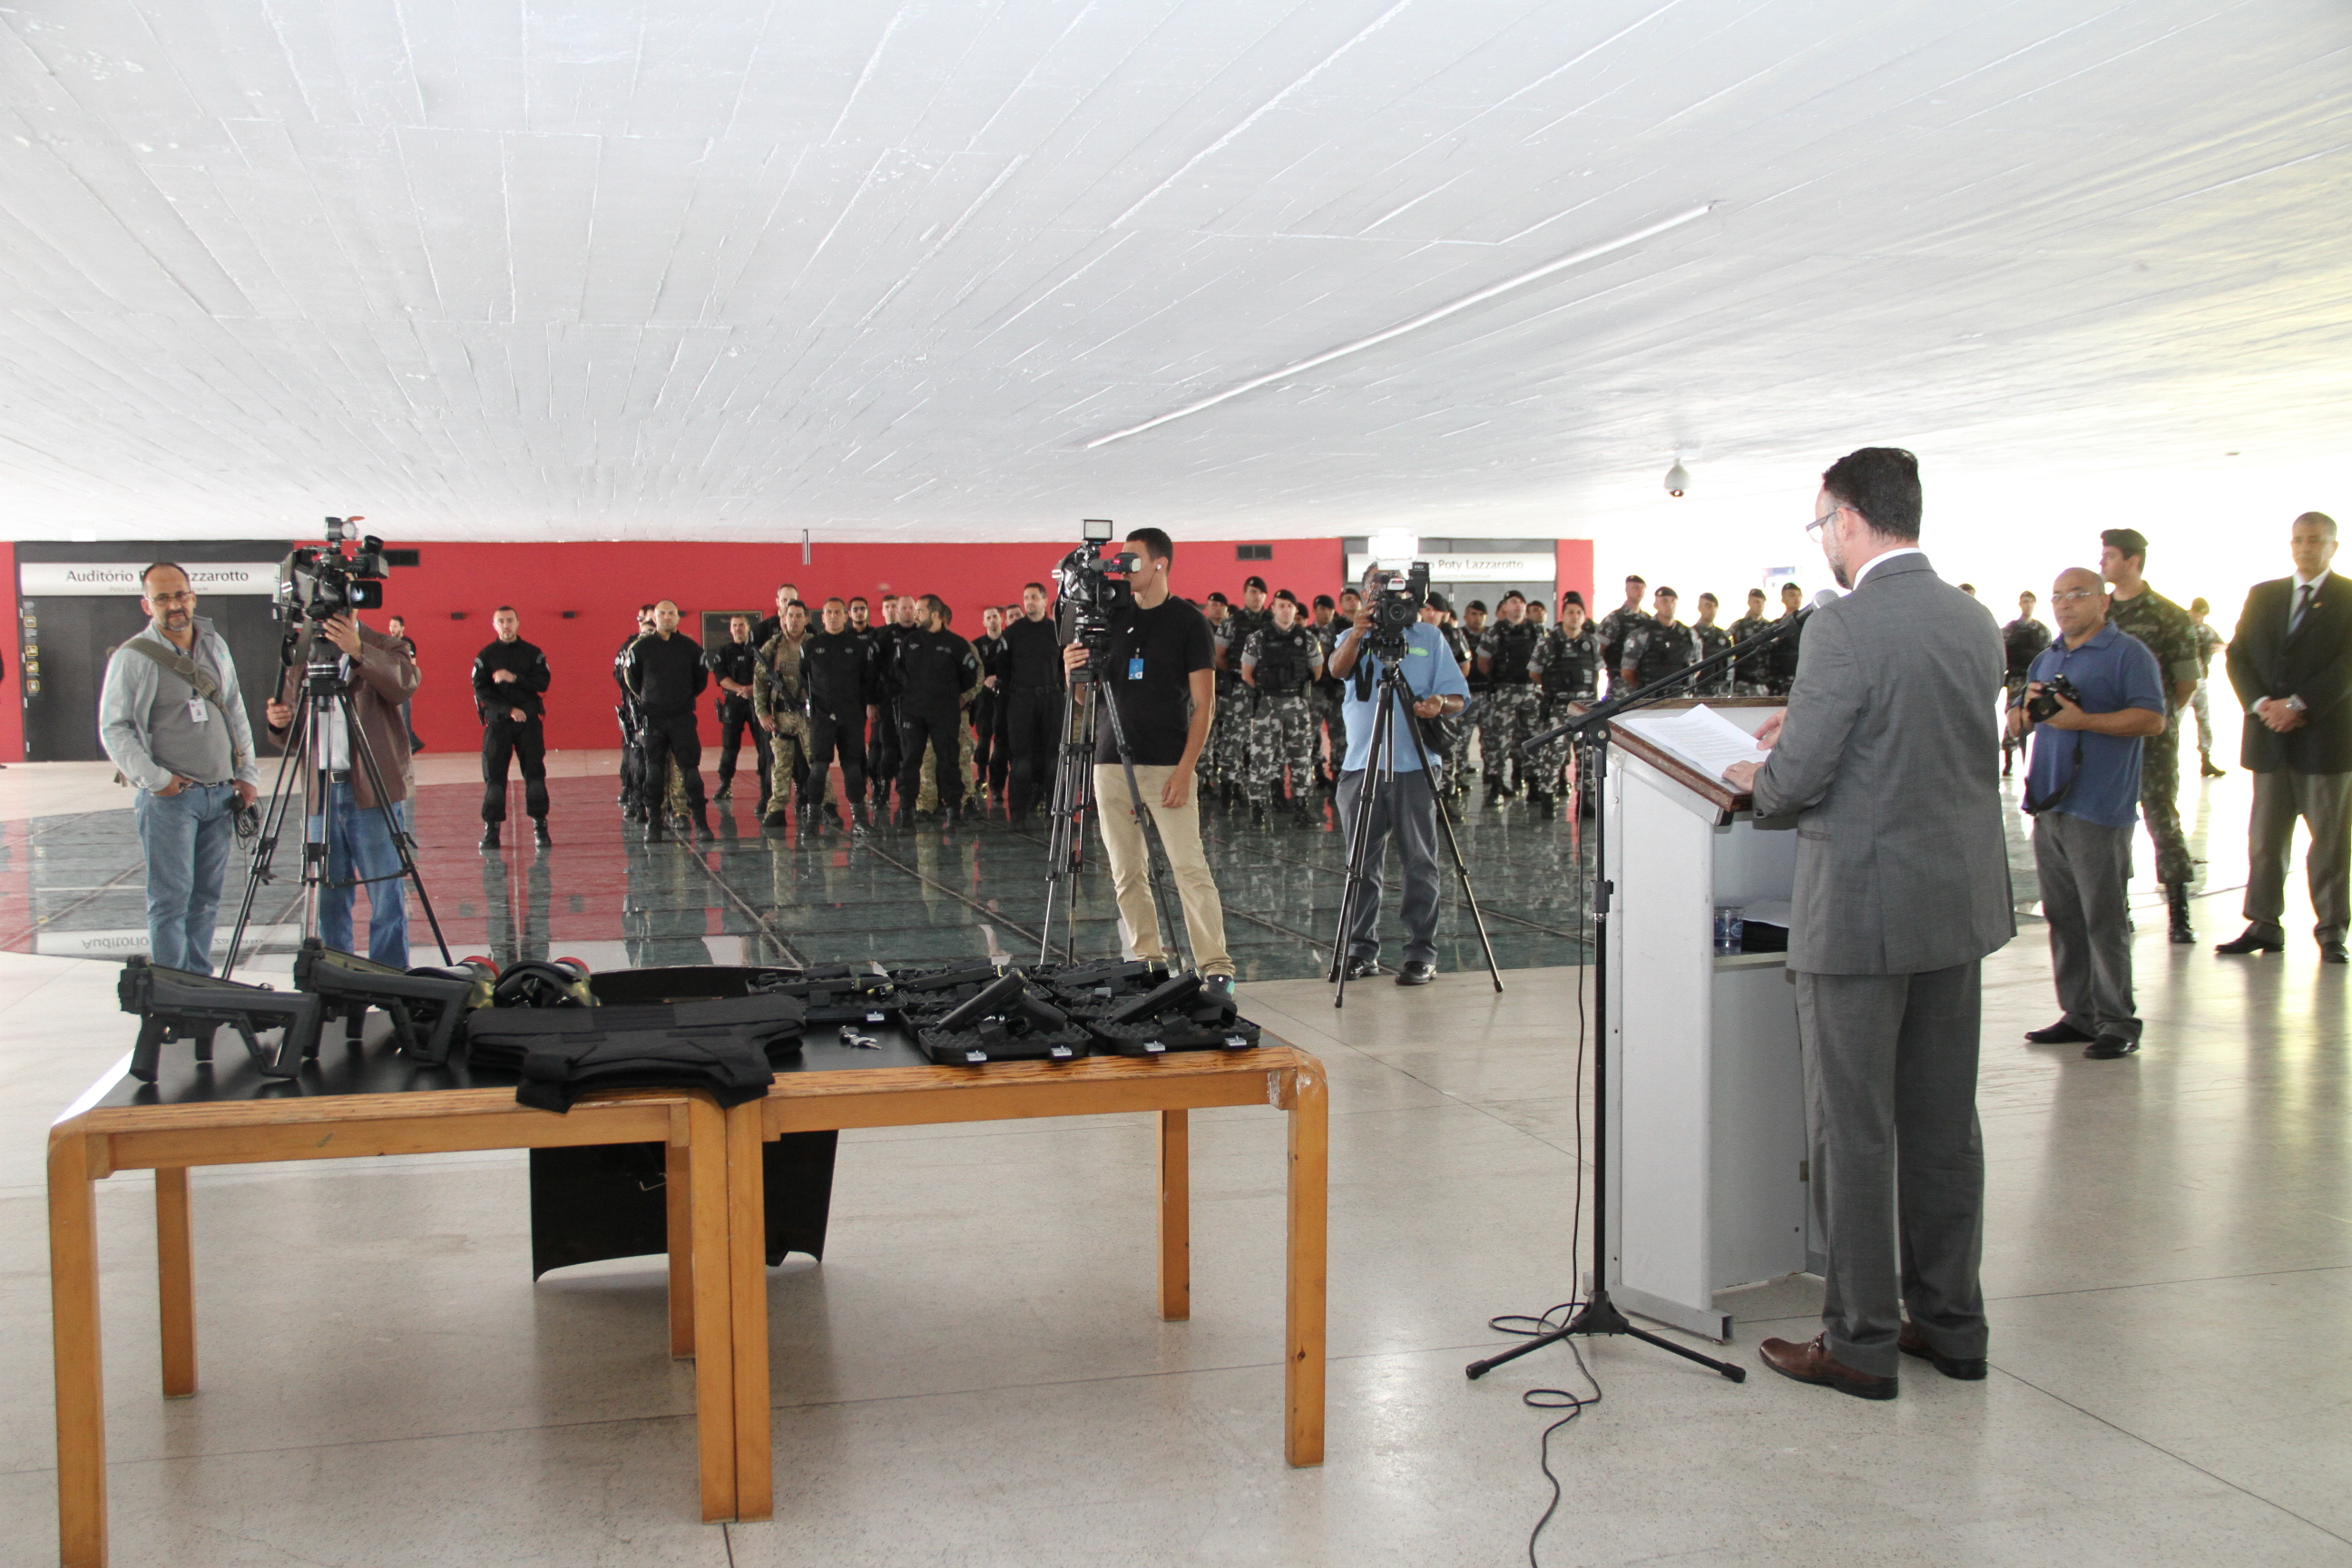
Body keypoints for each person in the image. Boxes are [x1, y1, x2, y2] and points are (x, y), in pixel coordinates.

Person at [1720, 447, 2011, 1400]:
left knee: (1853, 1131)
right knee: (1943, 1127)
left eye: (1821, 524)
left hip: (1860, 915)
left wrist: (1762, 772)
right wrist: (1804, 721)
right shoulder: (1973, 619)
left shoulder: (1841, 626)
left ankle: (1859, 1341)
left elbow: (1797, 784)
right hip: (1954, 908)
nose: (1823, 542)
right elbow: (1912, 737)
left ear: (1848, 520)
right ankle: (1952, 1326)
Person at [1058, 528, 1233, 987]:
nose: (1121, 568)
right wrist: (1072, 674)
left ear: (1160, 563)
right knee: (1126, 872)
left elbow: (1204, 705)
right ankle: (1147, 962)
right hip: (1110, 762)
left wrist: (1186, 769)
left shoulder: (1188, 622)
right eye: (1120, 560)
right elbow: (1086, 701)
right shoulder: (1110, 617)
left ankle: (1216, 966)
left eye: (1132, 560)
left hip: (1167, 763)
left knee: (1189, 868)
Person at [2011, 568, 2168, 1058]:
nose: (2064, 604)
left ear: (2103, 601)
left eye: (2077, 595)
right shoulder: (2047, 657)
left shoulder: (2128, 654)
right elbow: (2018, 723)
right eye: (2058, 596)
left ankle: (2118, 1021)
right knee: (2063, 915)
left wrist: (2085, 720)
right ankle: (2079, 1013)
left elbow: (2153, 719)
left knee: (2103, 917)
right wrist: (2023, 712)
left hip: (2100, 806)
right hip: (2049, 803)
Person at [98, 563, 264, 975]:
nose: (174, 605)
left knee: (206, 900)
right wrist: (156, 780)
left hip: (220, 793)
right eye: (162, 598)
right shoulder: (133, 656)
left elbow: (234, 707)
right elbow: (114, 727)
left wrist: (247, 773)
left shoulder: (214, 644)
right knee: (171, 900)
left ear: (193, 596)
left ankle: (199, 982)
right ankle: (172, 989)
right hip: (171, 801)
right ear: (147, 605)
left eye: (180, 595)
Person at [1326, 574, 1473, 985]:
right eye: (1377, 592)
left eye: (1396, 594)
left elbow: (1459, 698)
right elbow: (1336, 669)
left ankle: (1421, 953)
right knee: (1360, 864)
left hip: (1415, 768)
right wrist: (1358, 632)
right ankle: (1360, 950)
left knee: (1420, 863)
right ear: (1365, 595)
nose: (1388, 601)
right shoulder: (1351, 635)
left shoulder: (1430, 637)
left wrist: (1440, 702)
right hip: (1362, 765)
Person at [2220, 511, 2352, 963]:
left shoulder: (2349, 597)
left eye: (2314, 540)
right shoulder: (2265, 595)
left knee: (2330, 843)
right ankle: (2263, 924)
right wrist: (2262, 704)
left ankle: (2331, 930)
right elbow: (2238, 656)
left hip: (2325, 742)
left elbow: (2347, 666)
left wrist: (2298, 705)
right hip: (2269, 738)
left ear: (2333, 546)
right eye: (2298, 539)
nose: (2304, 547)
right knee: (2264, 841)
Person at [268, 609, 421, 967]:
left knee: (386, 894)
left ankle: (390, 978)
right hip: (320, 793)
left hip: (372, 792)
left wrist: (359, 651)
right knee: (328, 898)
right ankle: (338, 975)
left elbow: (404, 685)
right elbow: (294, 737)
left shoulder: (386, 645)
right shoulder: (304, 653)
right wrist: (279, 724)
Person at [2100, 527, 2202, 944]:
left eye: (2109, 556)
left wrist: (2156, 717)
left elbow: (2186, 682)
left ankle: (2179, 913)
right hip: (2107, 737)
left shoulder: (2169, 615)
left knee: (2162, 819)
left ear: (2133, 561)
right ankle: (2118, 907)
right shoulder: (2099, 612)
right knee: (2110, 822)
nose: (2102, 562)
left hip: (2153, 739)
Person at [623, 600, 710, 840]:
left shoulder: (691, 648)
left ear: (678, 617)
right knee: (653, 772)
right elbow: (633, 679)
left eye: (671, 613)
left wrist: (681, 698)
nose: (667, 617)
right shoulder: (641, 648)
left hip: (682, 718)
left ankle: (701, 824)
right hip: (653, 718)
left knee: (690, 770)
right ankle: (654, 823)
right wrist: (650, 698)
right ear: (654, 617)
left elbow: (700, 681)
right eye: (662, 613)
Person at [1240, 591, 1325, 826]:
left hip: (1297, 703)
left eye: (1290, 606)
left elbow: (1317, 672)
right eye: (1281, 605)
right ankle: (1258, 809)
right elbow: (1247, 674)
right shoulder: (1257, 638)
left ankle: (1302, 807)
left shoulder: (1308, 639)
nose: (1286, 610)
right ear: (1273, 609)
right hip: (1268, 704)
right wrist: (1269, 689)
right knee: (1260, 757)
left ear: (1296, 609)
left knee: (1301, 757)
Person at [470, 605, 552, 849]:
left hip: (528, 722)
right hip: (499, 723)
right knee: (494, 778)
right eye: (501, 621)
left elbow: (542, 683)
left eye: (510, 620)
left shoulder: (533, 653)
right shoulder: (485, 656)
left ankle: (540, 827)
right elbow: (481, 691)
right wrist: (508, 710)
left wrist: (514, 677)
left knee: (535, 775)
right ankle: (492, 830)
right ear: (494, 625)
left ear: (518, 623)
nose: (506, 625)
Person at [792, 597, 877, 831]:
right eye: (829, 612)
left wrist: (865, 706)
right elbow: (805, 678)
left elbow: (867, 680)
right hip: (821, 716)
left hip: (851, 715)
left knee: (854, 769)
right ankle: (812, 821)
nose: (833, 616)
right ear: (823, 617)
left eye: (838, 612)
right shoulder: (811, 646)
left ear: (845, 616)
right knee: (818, 769)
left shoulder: (858, 646)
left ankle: (860, 820)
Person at [894, 594, 979, 824]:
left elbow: (969, 677)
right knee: (911, 761)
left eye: (920, 611)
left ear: (935, 614)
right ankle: (907, 812)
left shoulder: (957, 644)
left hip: (944, 712)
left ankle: (953, 811)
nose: (916, 615)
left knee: (949, 761)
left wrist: (948, 695)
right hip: (913, 712)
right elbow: (898, 672)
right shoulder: (910, 642)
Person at [1530, 593, 1603, 814]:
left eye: (1579, 613)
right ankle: (1548, 798)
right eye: (1570, 612)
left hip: (1586, 708)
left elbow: (1597, 671)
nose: (1575, 616)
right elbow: (1535, 673)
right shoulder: (1549, 641)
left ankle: (1586, 799)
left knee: (1587, 755)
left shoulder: (1591, 642)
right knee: (1554, 755)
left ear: (1584, 617)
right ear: (1563, 615)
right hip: (1560, 706)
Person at [1001, 582, 1063, 822]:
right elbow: (1004, 669)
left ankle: (1055, 814)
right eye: (1026, 597)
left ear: (1045, 600)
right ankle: (1018, 816)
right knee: (1021, 760)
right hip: (1021, 700)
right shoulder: (1013, 632)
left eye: (1034, 597)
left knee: (1054, 759)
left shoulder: (1057, 631)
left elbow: (1064, 666)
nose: (1029, 602)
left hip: (1052, 699)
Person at [1474, 592, 1544, 804]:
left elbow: (1544, 658)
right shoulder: (1495, 631)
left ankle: (1533, 783)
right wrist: (1498, 678)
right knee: (1500, 739)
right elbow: (1483, 662)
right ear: (1504, 607)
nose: (1518, 605)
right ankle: (1496, 785)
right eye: (1514, 602)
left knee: (1532, 737)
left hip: (1530, 690)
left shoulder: (1536, 630)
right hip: (1504, 691)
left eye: (1522, 602)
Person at [753, 599, 812, 828]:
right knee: (780, 767)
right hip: (782, 716)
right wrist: (762, 713)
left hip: (809, 716)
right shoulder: (773, 646)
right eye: (790, 616)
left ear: (806, 619)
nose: (794, 620)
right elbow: (759, 682)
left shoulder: (814, 644)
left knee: (816, 763)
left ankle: (823, 806)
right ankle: (776, 809)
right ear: (783, 619)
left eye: (798, 616)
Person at [706, 612, 769, 810]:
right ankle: (725, 784)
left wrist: (753, 689)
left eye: (742, 625)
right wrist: (741, 689)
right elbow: (721, 677)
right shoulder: (724, 652)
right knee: (729, 746)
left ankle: (766, 787)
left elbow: (766, 674)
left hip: (757, 702)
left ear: (748, 627)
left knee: (763, 746)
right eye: (735, 625)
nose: (738, 628)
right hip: (734, 703)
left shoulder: (759, 649)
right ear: (730, 629)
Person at [2001, 592, 2052, 779]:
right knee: (2013, 717)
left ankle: (2032, 761)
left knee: (2037, 717)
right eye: (2025, 601)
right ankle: (2009, 760)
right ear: (2020, 604)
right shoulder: (2011, 630)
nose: (2028, 604)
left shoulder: (2042, 630)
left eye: (2031, 601)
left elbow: (2049, 655)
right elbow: (2001, 653)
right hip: (2016, 679)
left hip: (2037, 681)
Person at [613, 605, 654, 821]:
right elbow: (620, 676)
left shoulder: (666, 644)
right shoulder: (629, 646)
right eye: (642, 619)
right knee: (634, 755)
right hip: (634, 709)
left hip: (659, 709)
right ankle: (632, 795)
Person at [1622, 584, 1701, 696]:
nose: (1670, 605)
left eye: (1673, 601)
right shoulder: (1642, 634)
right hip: (1651, 699)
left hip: (1682, 697)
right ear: (1655, 605)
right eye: (1664, 601)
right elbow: (1627, 673)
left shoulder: (1689, 634)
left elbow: (1697, 666)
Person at [1308, 593, 1349, 789]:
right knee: (1311, 734)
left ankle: (1338, 777)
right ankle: (1316, 771)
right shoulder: (1308, 634)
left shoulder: (1341, 631)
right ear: (1315, 610)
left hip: (1338, 690)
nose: (1326, 613)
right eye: (1322, 609)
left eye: (1329, 609)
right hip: (1316, 691)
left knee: (1340, 735)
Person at [973, 604, 1011, 802]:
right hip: (984, 699)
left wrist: (998, 677)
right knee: (983, 739)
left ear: (1001, 619)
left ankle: (997, 785)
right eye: (988, 617)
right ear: (983, 622)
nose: (992, 620)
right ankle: (981, 777)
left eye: (995, 616)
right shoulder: (977, 645)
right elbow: (972, 672)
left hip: (1005, 697)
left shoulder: (1008, 642)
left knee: (1001, 742)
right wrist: (984, 680)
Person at [2188, 597, 2227, 778]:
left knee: (2204, 719)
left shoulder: (2205, 630)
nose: (2201, 619)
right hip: (2180, 681)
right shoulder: (2178, 625)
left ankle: (2206, 759)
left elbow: (2224, 645)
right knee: (2172, 722)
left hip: (2200, 680)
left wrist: (2219, 648)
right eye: (2199, 615)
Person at [1595, 575, 1651, 690]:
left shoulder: (1648, 620)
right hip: (1619, 683)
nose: (1639, 591)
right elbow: (1598, 649)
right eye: (1635, 587)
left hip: (1643, 682)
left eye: (1642, 588)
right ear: (1626, 590)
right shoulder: (1614, 619)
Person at [1763, 581, 1807, 696]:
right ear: (1783, 599)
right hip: (1779, 686)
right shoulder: (1776, 626)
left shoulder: (1809, 625)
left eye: (1799, 595)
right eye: (1792, 595)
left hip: (1804, 685)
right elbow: (1764, 656)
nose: (1796, 598)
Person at [387, 613, 424, 750]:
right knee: (395, 714)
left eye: (395, 626)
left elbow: (412, 663)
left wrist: (410, 682)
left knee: (404, 712)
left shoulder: (407, 644)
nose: (392, 629)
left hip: (405, 682)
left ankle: (409, 744)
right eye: (391, 626)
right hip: (393, 682)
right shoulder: (389, 643)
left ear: (402, 628)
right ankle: (412, 741)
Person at [1690, 592, 1735, 696]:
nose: (1711, 609)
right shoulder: (1691, 634)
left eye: (1714, 606)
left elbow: (1730, 667)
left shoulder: (1724, 636)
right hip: (1698, 692)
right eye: (1708, 606)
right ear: (1699, 608)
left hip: (1721, 693)